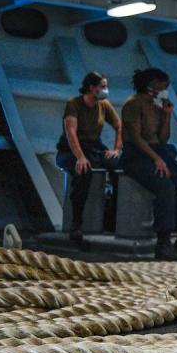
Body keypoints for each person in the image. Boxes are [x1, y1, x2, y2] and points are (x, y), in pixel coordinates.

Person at [120, 68, 177, 261]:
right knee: (165, 187)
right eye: (163, 85)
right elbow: (135, 138)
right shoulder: (133, 104)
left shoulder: (157, 105)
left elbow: (162, 138)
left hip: (157, 150)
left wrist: (167, 115)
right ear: (152, 84)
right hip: (136, 154)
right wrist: (156, 159)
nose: (166, 89)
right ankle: (163, 243)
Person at [55, 72, 122, 249]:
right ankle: (76, 226)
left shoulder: (104, 105)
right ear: (92, 87)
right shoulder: (74, 104)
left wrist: (116, 149)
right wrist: (80, 157)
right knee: (84, 172)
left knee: (120, 169)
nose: (105, 90)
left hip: (94, 147)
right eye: (102, 86)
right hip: (71, 149)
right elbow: (71, 133)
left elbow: (119, 126)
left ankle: (111, 220)